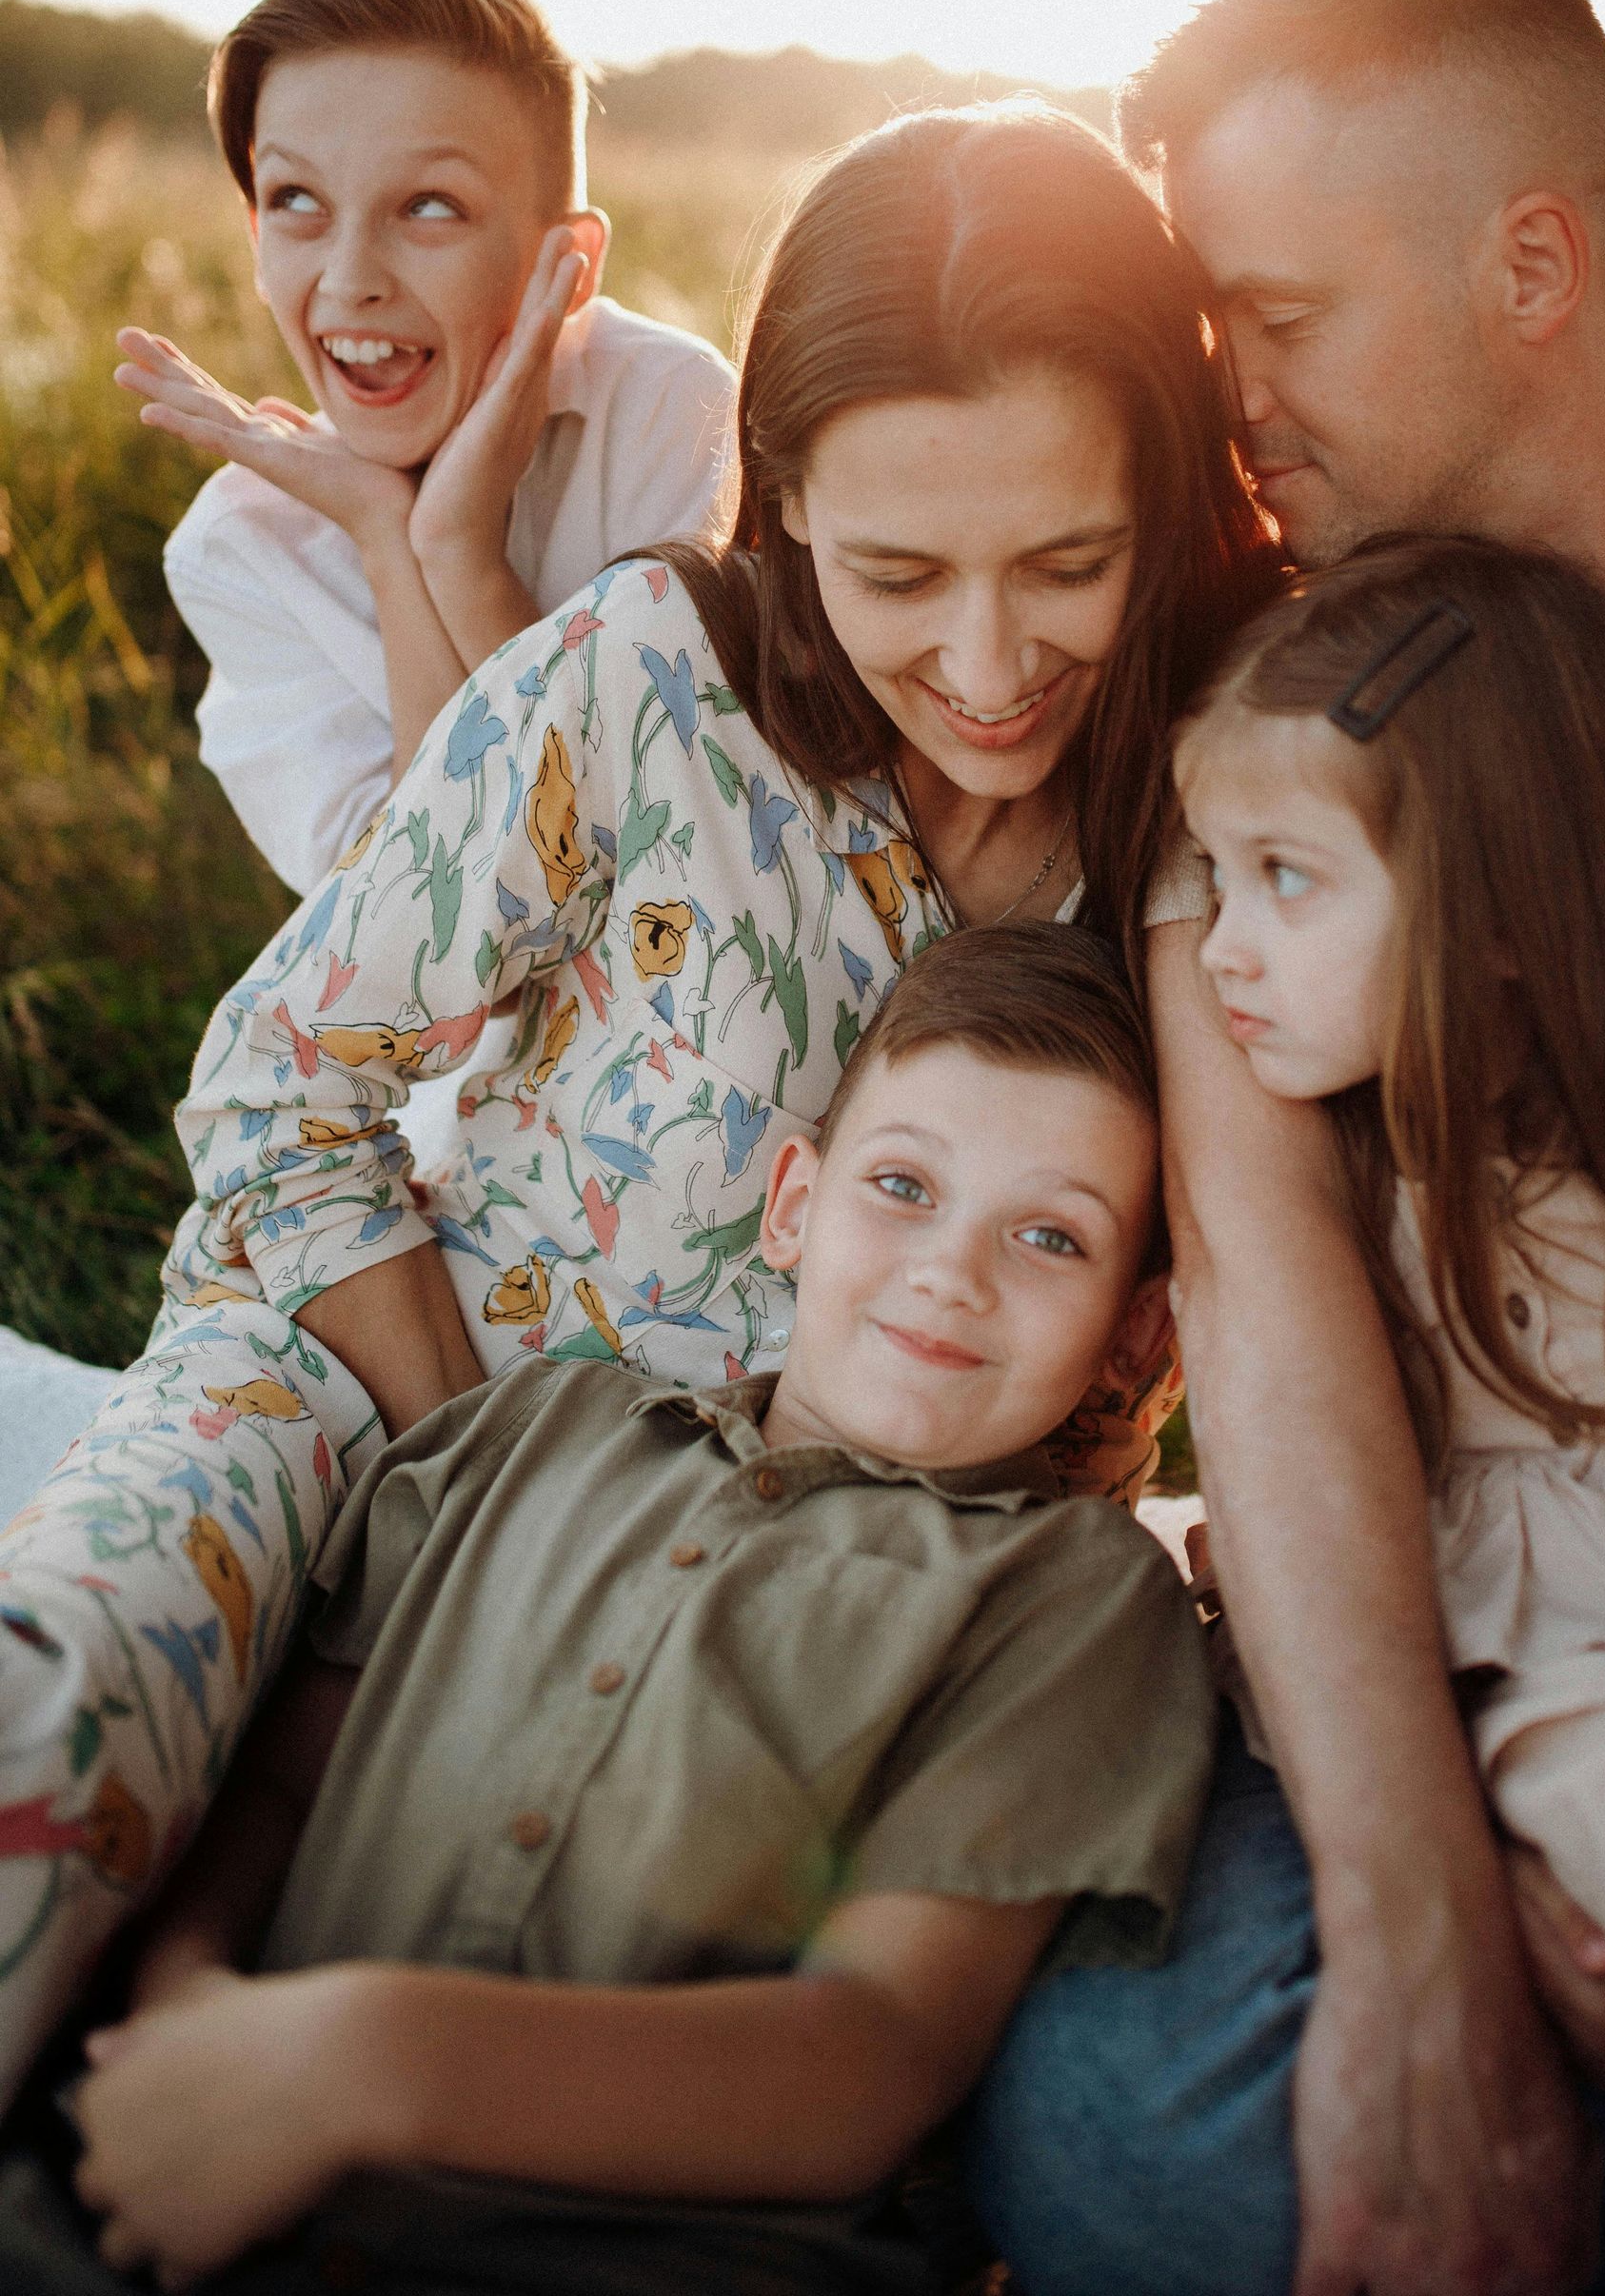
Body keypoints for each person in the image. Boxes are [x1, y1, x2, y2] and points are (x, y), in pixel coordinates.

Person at [0, 102, 1272, 2114]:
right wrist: (483, 1497)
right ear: (781, 505)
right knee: (58, 1722)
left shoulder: (1238, 808)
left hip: (868, 1623)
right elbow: (280, 1086)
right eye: (897, 570)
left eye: (1071, 562)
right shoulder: (646, 680)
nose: (989, 656)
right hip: (385, 1414)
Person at [977, 0, 1605, 2295]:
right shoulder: (1269, 694)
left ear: (1530, 265)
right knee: (1137, 2133)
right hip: (1469, 1641)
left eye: (1285, 314)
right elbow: (1265, 1310)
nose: (1231, 394)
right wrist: (1437, 1899)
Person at [0, 927, 1216, 2296]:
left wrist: (364, 2061)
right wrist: (186, 2016)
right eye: (903, 1185)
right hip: (188, 2164)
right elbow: (278, 1782)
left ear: (1136, 1333)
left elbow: (873, 2052)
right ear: (792, 1206)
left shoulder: (1069, 1600)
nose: (953, 1269)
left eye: (1050, 1235)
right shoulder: (532, 1426)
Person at [1171, 535, 1605, 2296]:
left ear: (1510, 913)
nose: (1221, 948)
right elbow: (1303, 1555)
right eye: (1214, 879)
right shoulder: (1366, 1218)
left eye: (1285, 881)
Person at [122, 0, 733, 895]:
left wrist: (456, 550)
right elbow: (418, 938)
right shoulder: (241, 547)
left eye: (430, 207)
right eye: (296, 202)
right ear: (254, 237)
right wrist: (384, 538)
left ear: (564, 262)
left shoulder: (669, 414)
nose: (350, 277)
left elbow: (652, 848)